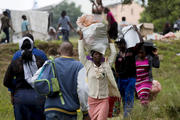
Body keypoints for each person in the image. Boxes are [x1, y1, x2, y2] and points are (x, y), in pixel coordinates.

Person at [37, 41, 89, 120]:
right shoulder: (79, 66)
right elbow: (83, 89)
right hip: (69, 112)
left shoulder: (50, 63)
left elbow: (34, 79)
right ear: (73, 52)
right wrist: (85, 111)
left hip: (51, 110)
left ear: (59, 50)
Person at [78, 31, 120, 120]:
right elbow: (81, 54)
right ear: (92, 56)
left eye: (100, 54)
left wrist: (109, 40)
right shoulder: (87, 64)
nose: (98, 55)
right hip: (91, 100)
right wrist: (81, 39)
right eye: (96, 54)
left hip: (104, 100)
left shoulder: (106, 65)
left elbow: (114, 53)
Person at [3, 36, 46, 120]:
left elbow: (6, 81)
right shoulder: (40, 61)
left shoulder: (15, 63)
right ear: (32, 46)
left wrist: (15, 87)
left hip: (20, 98)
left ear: (20, 47)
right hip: (38, 97)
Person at [115, 38, 136, 117]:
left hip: (130, 78)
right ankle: (124, 114)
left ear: (124, 44)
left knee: (129, 96)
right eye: (118, 44)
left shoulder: (130, 53)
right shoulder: (118, 55)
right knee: (122, 97)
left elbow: (130, 67)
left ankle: (127, 116)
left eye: (120, 44)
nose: (119, 46)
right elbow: (116, 66)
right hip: (121, 79)